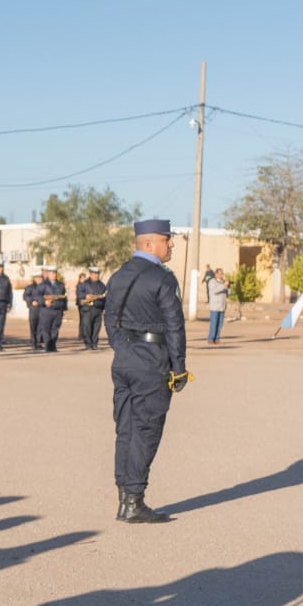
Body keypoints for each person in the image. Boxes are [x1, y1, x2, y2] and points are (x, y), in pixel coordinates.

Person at [105, 219, 186, 524]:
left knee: (125, 427)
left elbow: (109, 318)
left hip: (125, 358)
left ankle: (124, 496)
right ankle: (133, 502)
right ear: (150, 243)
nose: (172, 244)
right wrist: (178, 368)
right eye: (168, 239)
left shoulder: (118, 276)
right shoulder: (162, 279)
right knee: (145, 429)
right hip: (152, 360)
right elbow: (174, 327)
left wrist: (123, 348)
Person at [38, 266, 68, 352]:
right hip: (47, 310)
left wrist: (64, 309)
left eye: (55, 273)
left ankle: (53, 345)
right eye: (52, 273)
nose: (53, 275)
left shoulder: (61, 285)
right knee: (46, 329)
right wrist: (44, 302)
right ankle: (48, 346)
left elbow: (64, 298)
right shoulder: (43, 285)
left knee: (55, 329)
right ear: (48, 274)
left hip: (57, 310)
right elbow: (37, 296)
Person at [78, 266, 108, 349]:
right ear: (90, 274)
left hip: (98, 309)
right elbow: (79, 295)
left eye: (97, 274)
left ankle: (94, 344)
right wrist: (86, 296)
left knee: (96, 328)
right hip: (88, 309)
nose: (96, 276)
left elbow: (105, 297)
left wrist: (104, 308)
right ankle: (88, 344)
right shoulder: (84, 284)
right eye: (94, 274)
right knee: (87, 327)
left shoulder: (102, 285)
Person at [23, 273, 44, 350]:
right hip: (33, 309)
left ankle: (38, 343)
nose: (39, 279)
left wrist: (41, 302)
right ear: (34, 278)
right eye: (37, 278)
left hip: (42, 308)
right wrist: (31, 301)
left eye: (40, 278)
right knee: (33, 326)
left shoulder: (44, 287)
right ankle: (33, 342)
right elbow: (25, 296)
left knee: (40, 327)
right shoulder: (30, 287)